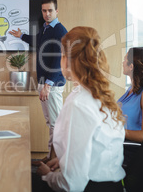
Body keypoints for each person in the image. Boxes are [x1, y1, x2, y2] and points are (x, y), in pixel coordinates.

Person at [35, 26, 126, 192]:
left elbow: (71, 185)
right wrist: (63, 160)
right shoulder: (98, 94)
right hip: (110, 183)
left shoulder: (78, 104)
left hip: (91, 187)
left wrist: (48, 175)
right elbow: (94, 147)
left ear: (68, 61)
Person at [9, 0, 68, 161]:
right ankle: (50, 156)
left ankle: (56, 160)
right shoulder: (46, 29)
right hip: (45, 83)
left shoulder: (59, 31)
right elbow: (38, 41)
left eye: (50, 10)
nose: (47, 14)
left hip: (52, 84)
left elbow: (58, 59)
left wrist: (48, 85)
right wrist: (22, 36)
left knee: (57, 125)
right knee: (51, 123)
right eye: (44, 11)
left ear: (57, 11)